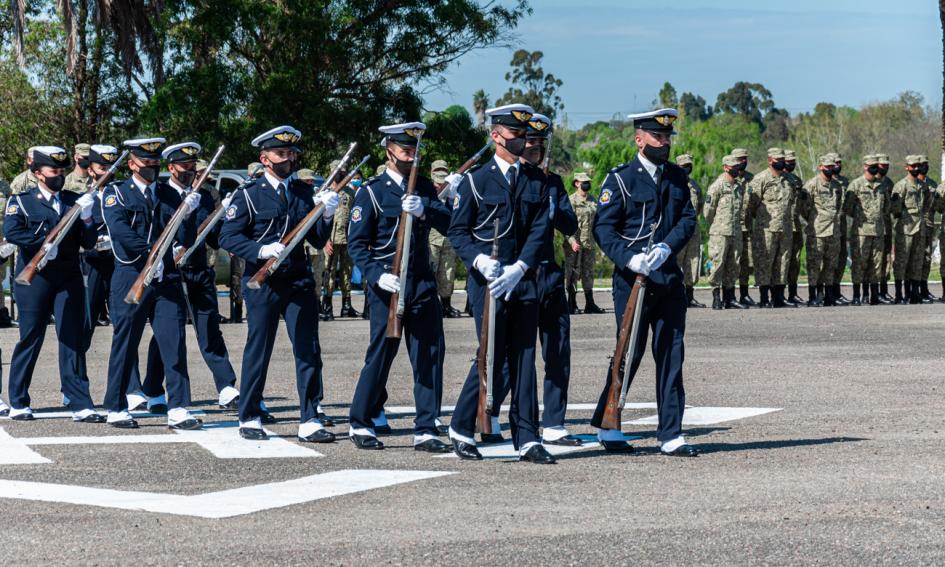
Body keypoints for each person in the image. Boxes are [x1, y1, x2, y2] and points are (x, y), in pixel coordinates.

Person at [447, 103, 556, 464]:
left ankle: (526, 436)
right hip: (488, 283)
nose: (523, 142)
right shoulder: (476, 182)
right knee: (490, 356)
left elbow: (541, 231)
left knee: (525, 356)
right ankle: (461, 427)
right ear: (496, 136)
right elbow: (458, 231)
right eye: (515, 135)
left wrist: (521, 266)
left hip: (521, 279)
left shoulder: (536, 180)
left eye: (526, 136)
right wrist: (478, 260)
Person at [219, 125, 339, 442]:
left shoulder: (302, 193)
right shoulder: (248, 194)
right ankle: (250, 415)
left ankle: (310, 417)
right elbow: (228, 236)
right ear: (265, 158)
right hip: (264, 282)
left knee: (308, 348)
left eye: (291, 153)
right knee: (259, 348)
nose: (288, 159)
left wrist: (326, 215)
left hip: (297, 279)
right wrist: (260, 250)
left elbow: (316, 239)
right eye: (281, 153)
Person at [590, 108, 698, 457]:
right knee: (628, 352)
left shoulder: (677, 178)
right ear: (639, 139)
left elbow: (687, 219)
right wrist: (629, 257)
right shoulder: (620, 179)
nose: (664, 142)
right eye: (657, 137)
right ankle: (609, 425)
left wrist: (667, 247)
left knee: (671, 354)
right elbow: (603, 229)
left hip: (666, 278)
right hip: (632, 280)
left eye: (667, 137)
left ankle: (670, 432)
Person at [346, 121, 451, 453]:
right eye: (406, 150)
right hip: (387, 285)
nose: (411, 157)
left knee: (429, 355)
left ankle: (426, 426)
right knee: (380, 355)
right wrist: (377, 275)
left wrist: (426, 208)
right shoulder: (372, 191)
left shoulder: (421, 186)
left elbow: (449, 222)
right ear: (389, 150)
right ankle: (360, 421)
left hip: (420, 281)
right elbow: (357, 245)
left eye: (415, 151)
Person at [101, 137, 202, 430]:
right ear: (132, 164)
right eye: (147, 163)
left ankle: (179, 407)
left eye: (156, 164)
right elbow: (120, 232)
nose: (153, 168)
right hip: (130, 275)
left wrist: (188, 212)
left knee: (174, 342)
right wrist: (152, 254)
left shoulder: (171, 195)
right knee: (125, 342)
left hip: (165, 279)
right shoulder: (116, 193)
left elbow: (187, 239)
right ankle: (116, 406)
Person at [136, 142, 241, 412]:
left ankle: (226, 386)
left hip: (199, 271)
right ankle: (153, 390)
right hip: (170, 273)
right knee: (167, 336)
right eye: (185, 167)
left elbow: (216, 237)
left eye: (194, 167)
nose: (191, 172)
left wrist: (227, 219)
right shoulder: (161, 194)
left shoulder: (206, 196)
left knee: (209, 330)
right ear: (170, 168)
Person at [2, 146, 101, 422]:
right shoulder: (21, 201)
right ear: (37, 174)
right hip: (34, 278)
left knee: (72, 337)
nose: (58, 175)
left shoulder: (74, 200)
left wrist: (88, 218)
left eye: (61, 171)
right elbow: (12, 232)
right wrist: (44, 243)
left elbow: (88, 242)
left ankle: (79, 401)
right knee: (31, 337)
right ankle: (20, 400)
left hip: (67, 276)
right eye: (52, 171)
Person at [748, 148, 796, 308]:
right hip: (766, 229)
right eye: (778, 159)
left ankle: (779, 297)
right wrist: (762, 219)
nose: (781, 162)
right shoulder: (760, 179)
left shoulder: (789, 180)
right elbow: (752, 205)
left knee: (783, 262)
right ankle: (763, 298)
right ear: (770, 160)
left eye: (783, 159)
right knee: (764, 262)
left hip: (786, 228)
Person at [845, 155, 889, 306]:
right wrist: (860, 219)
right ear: (864, 166)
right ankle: (857, 295)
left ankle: (874, 295)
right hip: (861, 231)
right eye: (871, 165)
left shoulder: (882, 186)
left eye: (876, 165)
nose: (874, 168)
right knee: (859, 264)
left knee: (876, 264)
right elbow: (848, 208)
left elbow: (886, 208)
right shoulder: (855, 185)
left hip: (878, 231)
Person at [704, 155, 747, 310]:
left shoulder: (739, 186)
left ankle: (730, 298)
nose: (737, 169)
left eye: (738, 166)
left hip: (735, 231)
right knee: (717, 264)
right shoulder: (717, 186)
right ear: (725, 167)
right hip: (720, 232)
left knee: (734, 265)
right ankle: (716, 297)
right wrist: (717, 226)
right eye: (733, 166)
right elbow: (708, 212)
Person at [804, 155, 843, 307]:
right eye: (827, 167)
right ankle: (813, 296)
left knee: (830, 265)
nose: (830, 169)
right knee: (814, 265)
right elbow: (803, 207)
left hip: (833, 231)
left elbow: (838, 206)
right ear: (820, 167)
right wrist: (814, 220)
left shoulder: (837, 186)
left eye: (832, 167)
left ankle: (828, 295)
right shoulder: (811, 185)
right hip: (817, 232)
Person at [323, 161, 360, 319]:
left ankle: (346, 305)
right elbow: (320, 220)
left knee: (347, 272)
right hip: (330, 239)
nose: (341, 176)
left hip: (347, 239)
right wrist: (325, 240)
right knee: (329, 272)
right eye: (339, 173)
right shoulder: (324, 192)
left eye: (343, 173)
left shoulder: (350, 193)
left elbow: (354, 217)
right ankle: (327, 306)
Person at [564, 171, 603, 314]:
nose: (587, 184)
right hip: (574, 244)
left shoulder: (593, 201)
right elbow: (566, 224)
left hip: (589, 243)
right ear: (576, 183)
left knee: (588, 273)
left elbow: (597, 223)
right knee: (573, 273)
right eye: (583, 182)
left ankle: (590, 303)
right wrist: (572, 242)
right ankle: (571, 303)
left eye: (588, 181)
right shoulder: (571, 201)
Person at [891, 155, 928, 304]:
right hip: (905, 229)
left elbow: (927, 205)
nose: (916, 168)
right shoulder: (901, 186)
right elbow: (895, 209)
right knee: (902, 262)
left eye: (918, 166)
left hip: (920, 228)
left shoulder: (922, 185)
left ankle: (914, 293)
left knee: (917, 262)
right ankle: (900, 294)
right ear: (906, 167)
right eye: (913, 166)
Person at [428, 159, 462, 318]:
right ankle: (430, 305)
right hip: (431, 239)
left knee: (448, 273)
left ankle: (446, 305)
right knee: (431, 272)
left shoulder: (452, 190)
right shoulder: (427, 189)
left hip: (448, 238)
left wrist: (452, 195)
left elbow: (455, 213)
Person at [675, 154, 706, 308]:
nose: (687, 168)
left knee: (693, 262)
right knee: (676, 262)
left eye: (689, 165)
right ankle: (675, 296)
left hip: (693, 230)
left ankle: (689, 296)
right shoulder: (671, 184)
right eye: (684, 166)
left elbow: (700, 206)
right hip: (678, 230)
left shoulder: (694, 186)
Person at [732, 148, 756, 306]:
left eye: (745, 159)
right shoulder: (728, 179)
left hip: (747, 227)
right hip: (732, 229)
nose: (743, 162)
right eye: (740, 159)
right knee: (732, 262)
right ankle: (729, 295)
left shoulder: (752, 179)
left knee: (746, 263)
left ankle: (744, 294)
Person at [783, 150, 807, 306]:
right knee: (780, 261)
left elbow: (803, 206)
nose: (791, 164)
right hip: (781, 227)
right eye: (788, 161)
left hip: (795, 226)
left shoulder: (797, 181)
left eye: (793, 161)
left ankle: (793, 293)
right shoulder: (777, 180)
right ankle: (777, 294)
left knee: (795, 262)